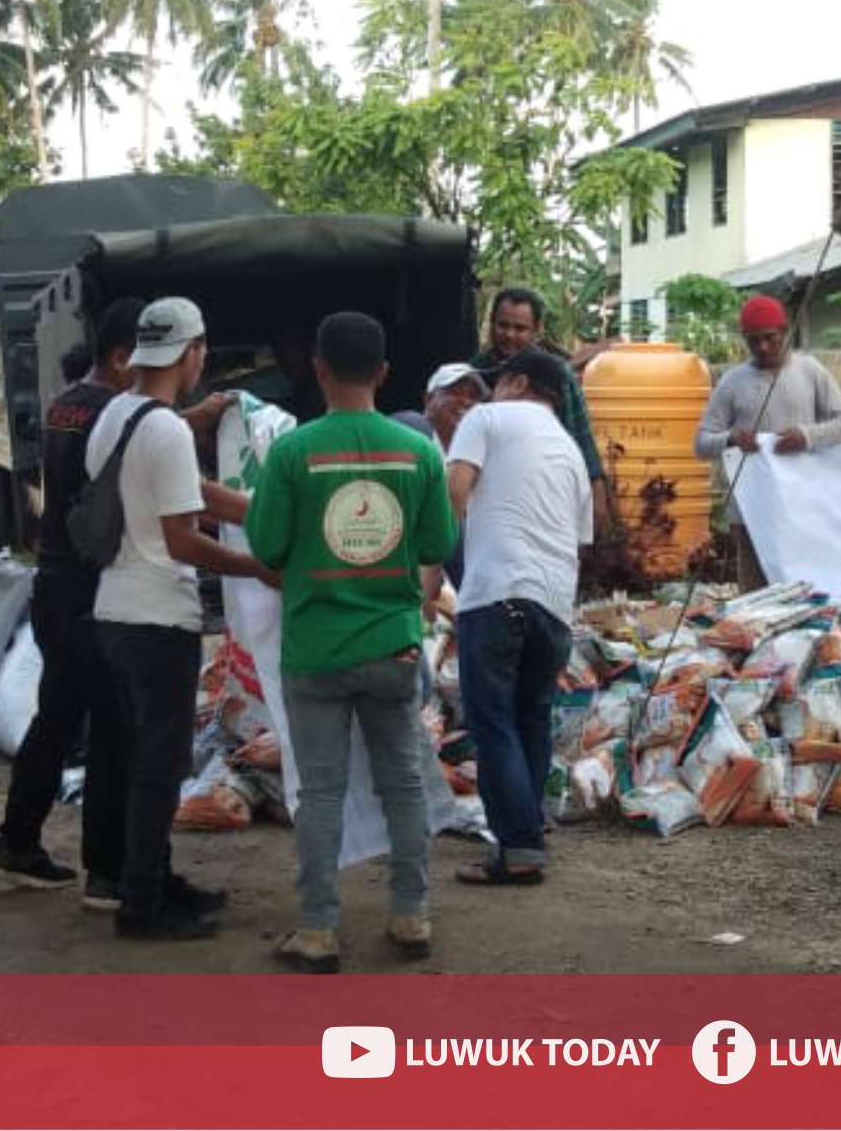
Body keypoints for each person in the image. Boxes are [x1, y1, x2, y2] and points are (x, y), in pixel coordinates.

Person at [246, 311, 457, 973]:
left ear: (318, 368)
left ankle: (317, 931)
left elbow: (265, 546)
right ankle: (411, 916)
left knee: (321, 791)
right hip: (393, 647)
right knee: (403, 784)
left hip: (315, 651)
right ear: (385, 373)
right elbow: (435, 546)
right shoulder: (419, 452)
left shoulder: (291, 454)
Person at [86, 297, 273, 941]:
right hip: (154, 616)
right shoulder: (163, 428)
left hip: (114, 608)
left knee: (146, 757)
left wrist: (267, 511)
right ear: (193, 353)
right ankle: (142, 903)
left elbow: (193, 494)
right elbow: (183, 539)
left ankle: (156, 879)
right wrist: (258, 569)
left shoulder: (118, 413)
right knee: (160, 766)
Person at [0, 301, 140, 903]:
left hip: (53, 581)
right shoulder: (111, 413)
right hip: (85, 584)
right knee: (110, 724)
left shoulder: (66, 401)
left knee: (59, 714)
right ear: (122, 357)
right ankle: (107, 871)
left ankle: (16, 838)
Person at [448, 350, 594, 886]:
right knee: (532, 719)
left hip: (496, 593)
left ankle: (518, 848)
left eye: (497, 382)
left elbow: (454, 492)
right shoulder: (573, 453)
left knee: (494, 724)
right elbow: (580, 537)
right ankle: (527, 835)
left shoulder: (486, 418)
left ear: (518, 382)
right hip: (554, 604)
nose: (489, 392)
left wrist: (431, 566)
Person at [690, 294, 841, 590]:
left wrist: (806, 436)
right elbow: (701, 443)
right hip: (750, 512)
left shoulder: (810, 371)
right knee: (757, 595)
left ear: (784, 331)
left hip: (804, 506)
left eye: (770, 338)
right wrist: (731, 438)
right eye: (753, 341)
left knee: (806, 590)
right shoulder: (733, 382)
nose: (763, 347)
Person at [471, 289, 612, 536]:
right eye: (503, 325)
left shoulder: (556, 375)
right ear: (492, 324)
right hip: (488, 498)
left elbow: (581, 438)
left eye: (520, 328)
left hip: (545, 494)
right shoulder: (473, 374)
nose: (510, 335)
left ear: (537, 330)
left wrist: (597, 497)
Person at [391, 362, 487, 600]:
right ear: (428, 399)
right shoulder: (413, 429)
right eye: (454, 392)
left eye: (473, 397)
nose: (464, 401)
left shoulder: (474, 459)